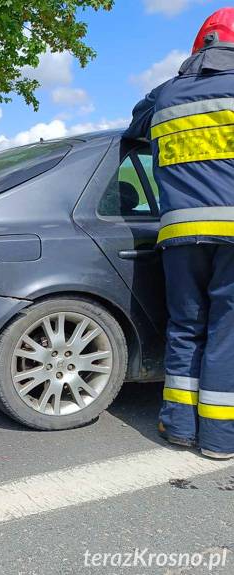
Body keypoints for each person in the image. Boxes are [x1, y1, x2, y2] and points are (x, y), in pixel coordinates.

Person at [123, 7, 234, 459]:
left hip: (179, 233)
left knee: (186, 328)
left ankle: (180, 428)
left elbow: (135, 128)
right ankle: (220, 440)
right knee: (226, 331)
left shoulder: (165, 95)